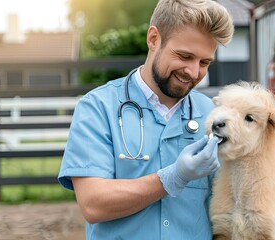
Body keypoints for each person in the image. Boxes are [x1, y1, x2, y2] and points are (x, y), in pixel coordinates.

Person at [58, 0, 234, 239]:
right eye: (184, 56)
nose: (193, 72)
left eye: (204, 63)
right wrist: (174, 177)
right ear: (153, 39)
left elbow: (229, 204)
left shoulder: (213, 115)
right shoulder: (98, 108)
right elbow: (93, 204)